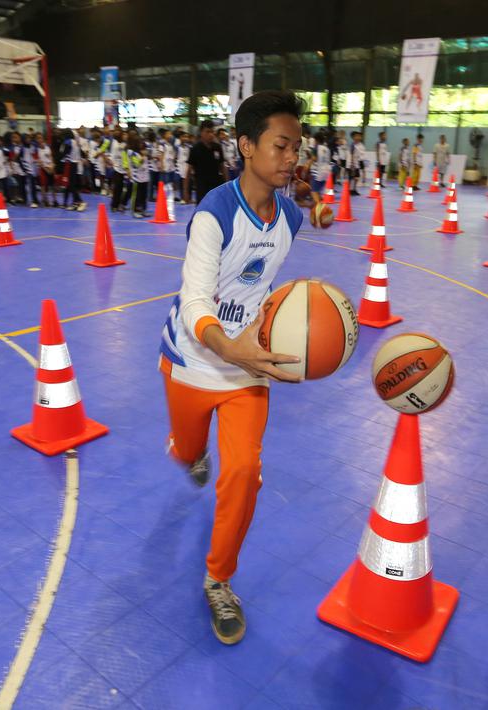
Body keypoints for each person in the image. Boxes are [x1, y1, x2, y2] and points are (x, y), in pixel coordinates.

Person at [159, 90, 308, 646]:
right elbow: (195, 302)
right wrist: (231, 348)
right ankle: (186, 450)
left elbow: (266, 286)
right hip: (192, 359)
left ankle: (219, 580)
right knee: (189, 450)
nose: (292, 156)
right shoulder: (214, 214)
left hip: (247, 371)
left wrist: (272, 342)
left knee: (243, 473)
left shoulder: (290, 215)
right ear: (246, 147)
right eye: (281, 145)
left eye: (297, 146)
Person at [188, 122, 228, 204]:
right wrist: (186, 192)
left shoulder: (217, 147)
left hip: (216, 185)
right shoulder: (195, 149)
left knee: (217, 209)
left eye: (212, 132)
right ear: (201, 132)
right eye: (208, 132)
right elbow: (188, 171)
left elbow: (222, 166)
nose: (211, 134)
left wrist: (227, 184)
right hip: (201, 187)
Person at [60, 128, 85, 211]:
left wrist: (60, 159)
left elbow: (65, 152)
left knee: (70, 184)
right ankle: (74, 203)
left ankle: (80, 201)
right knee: (70, 184)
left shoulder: (68, 142)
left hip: (69, 164)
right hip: (75, 164)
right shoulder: (75, 142)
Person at [126, 133, 149, 218]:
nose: (141, 144)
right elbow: (136, 164)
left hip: (145, 178)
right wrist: (143, 156)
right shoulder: (133, 153)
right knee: (136, 196)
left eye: (141, 142)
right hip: (137, 178)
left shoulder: (144, 152)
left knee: (144, 195)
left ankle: (143, 210)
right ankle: (135, 211)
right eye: (139, 143)